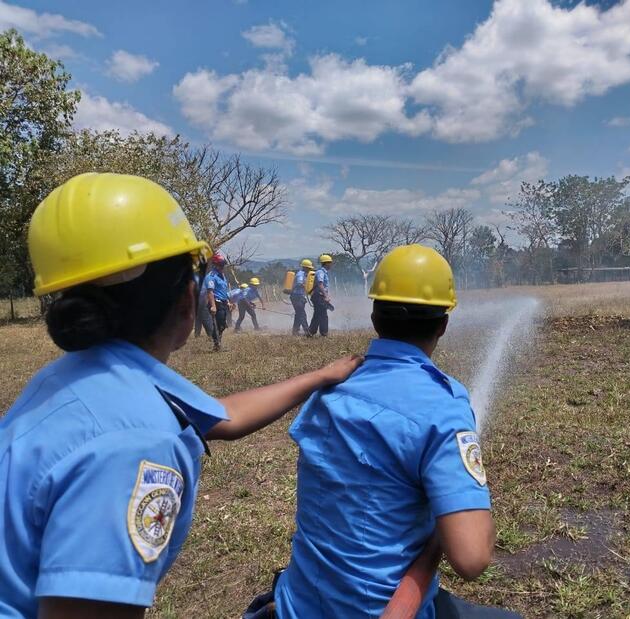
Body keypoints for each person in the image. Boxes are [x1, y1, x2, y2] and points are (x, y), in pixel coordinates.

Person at [0, 173, 362, 619]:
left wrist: (319, 376)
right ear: (189, 299)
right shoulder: (135, 443)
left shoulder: (78, 376)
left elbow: (224, 416)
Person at [248, 244, 520, 619]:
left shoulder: (330, 389)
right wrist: (451, 512)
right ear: (443, 325)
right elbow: (472, 559)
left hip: (299, 605)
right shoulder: (444, 407)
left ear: (375, 317)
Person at [202, 253, 230, 350]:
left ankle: (218, 343)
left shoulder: (222, 275)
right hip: (216, 302)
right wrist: (213, 306)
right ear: (215, 264)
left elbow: (223, 290)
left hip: (223, 302)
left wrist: (227, 301)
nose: (223, 267)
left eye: (223, 265)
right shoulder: (211, 276)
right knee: (218, 324)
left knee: (222, 324)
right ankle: (217, 344)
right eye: (221, 265)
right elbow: (210, 292)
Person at [307, 254, 333, 337]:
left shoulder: (323, 272)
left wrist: (326, 294)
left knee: (318, 314)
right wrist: (326, 295)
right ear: (326, 263)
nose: (331, 264)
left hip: (319, 296)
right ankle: (323, 333)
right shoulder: (320, 272)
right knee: (322, 315)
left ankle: (311, 332)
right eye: (330, 262)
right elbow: (320, 283)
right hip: (318, 296)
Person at [291, 259, 313, 336]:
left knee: (298, 314)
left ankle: (295, 331)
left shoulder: (304, 274)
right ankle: (307, 332)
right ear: (305, 267)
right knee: (302, 314)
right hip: (297, 296)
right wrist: (308, 288)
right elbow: (300, 283)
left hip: (299, 296)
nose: (310, 270)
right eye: (309, 268)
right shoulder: (300, 274)